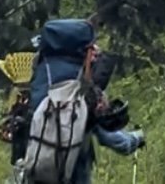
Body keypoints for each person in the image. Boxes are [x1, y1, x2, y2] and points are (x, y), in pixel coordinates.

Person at [14, 18, 145, 182]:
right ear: (83, 51)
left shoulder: (38, 82)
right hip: (74, 173)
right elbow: (109, 137)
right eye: (92, 47)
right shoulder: (83, 92)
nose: (96, 51)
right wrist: (136, 139)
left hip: (34, 172)